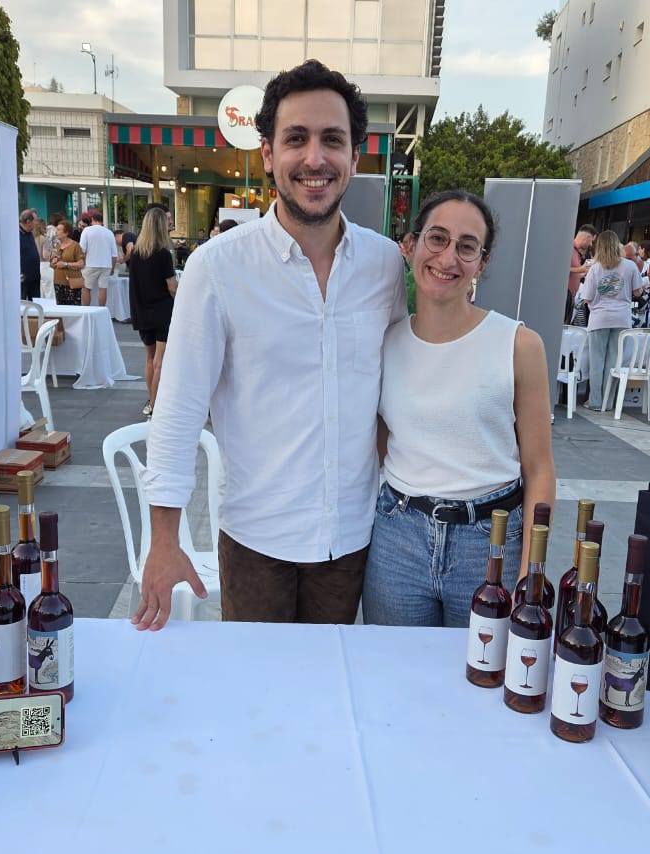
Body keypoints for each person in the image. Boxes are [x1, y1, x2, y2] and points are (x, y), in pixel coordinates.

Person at [137, 58, 407, 629]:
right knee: (255, 686)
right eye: (296, 139)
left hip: (351, 539)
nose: (315, 158)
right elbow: (178, 409)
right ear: (267, 153)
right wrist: (163, 540)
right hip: (256, 541)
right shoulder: (218, 267)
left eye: (332, 140)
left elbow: (396, 392)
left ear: (355, 156)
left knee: (333, 681)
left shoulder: (385, 265)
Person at [361, 190, 555, 626]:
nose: (448, 258)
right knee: (393, 663)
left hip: (489, 541)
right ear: (410, 246)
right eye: (437, 238)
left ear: (481, 264)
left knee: (482, 666)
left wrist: (532, 571)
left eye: (467, 247)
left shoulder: (518, 345)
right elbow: (383, 443)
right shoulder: (385, 342)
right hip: (398, 538)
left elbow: (540, 469)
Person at [578, 230, 646, 412]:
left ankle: (595, 401)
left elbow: (587, 297)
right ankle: (608, 402)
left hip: (599, 318)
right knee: (614, 361)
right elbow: (638, 291)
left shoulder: (595, 268)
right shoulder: (630, 266)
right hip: (622, 318)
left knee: (596, 361)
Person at [126, 207, 178, 418]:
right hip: (162, 311)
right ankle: (156, 405)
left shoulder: (136, 254)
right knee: (160, 362)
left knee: (149, 358)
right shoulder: (163, 254)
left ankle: (151, 399)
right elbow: (172, 287)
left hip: (142, 311)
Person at [79, 210, 118, 308]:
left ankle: (86, 311)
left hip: (90, 264)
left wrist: (81, 263)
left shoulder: (86, 230)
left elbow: (82, 250)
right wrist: (112, 268)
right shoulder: (109, 233)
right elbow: (114, 255)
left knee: (86, 288)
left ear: (92, 219)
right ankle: (102, 310)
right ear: (102, 221)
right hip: (106, 265)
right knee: (103, 288)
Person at [49, 220, 84, 305]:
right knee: (61, 309)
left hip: (72, 283)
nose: (56, 232)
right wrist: (53, 263)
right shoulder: (57, 246)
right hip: (58, 282)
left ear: (66, 232)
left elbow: (81, 264)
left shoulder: (75, 245)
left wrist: (66, 264)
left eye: (58, 230)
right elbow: (52, 264)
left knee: (73, 309)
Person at [566, 224, 596, 323]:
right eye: (591, 241)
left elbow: (572, 273)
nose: (591, 244)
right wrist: (581, 269)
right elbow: (561, 270)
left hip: (571, 296)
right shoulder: (568, 248)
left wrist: (585, 273)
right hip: (565, 296)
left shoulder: (576, 251)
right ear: (586, 237)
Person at [18, 208, 40, 302]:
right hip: (23, 278)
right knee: (22, 303)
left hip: (35, 276)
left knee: (36, 303)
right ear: (28, 222)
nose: (36, 223)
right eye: (35, 221)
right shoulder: (16, 235)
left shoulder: (30, 233)